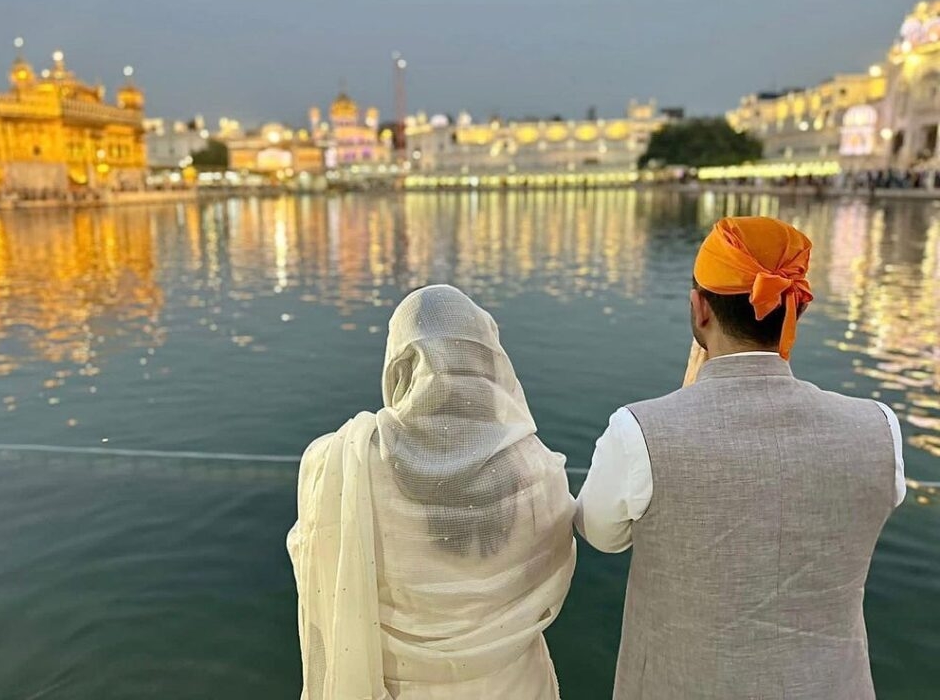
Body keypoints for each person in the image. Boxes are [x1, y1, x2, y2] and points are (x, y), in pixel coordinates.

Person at [576, 216, 905, 700]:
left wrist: (681, 404)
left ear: (699, 308)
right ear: (795, 309)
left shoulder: (640, 431)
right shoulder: (880, 427)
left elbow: (600, 533)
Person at [287, 285, 576, 700]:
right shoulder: (538, 472)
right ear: (489, 364)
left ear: (399, 365)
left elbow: (319, 585)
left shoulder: (340, 462)